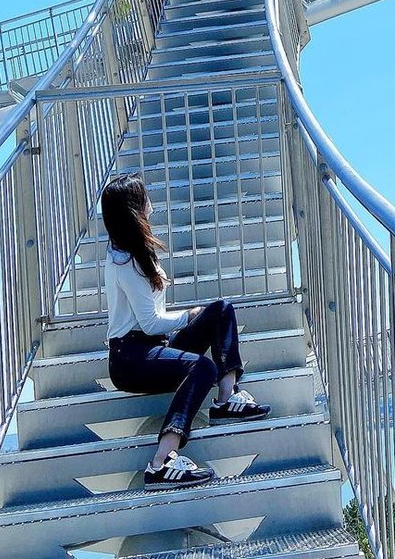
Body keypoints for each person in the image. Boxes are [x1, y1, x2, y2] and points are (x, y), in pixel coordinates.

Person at [102, 175, 270, 490]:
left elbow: (153, 325)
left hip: (151, 347)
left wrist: (190, 318)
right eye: (144, 194)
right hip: (131, 359)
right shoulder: (125, 261)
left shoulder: (134, 250)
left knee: (221, 309)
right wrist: (186, 316)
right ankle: (162, 461)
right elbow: (150, 323)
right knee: (202, 365)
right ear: (135, 209)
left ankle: (226, 397)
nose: (150, 199)